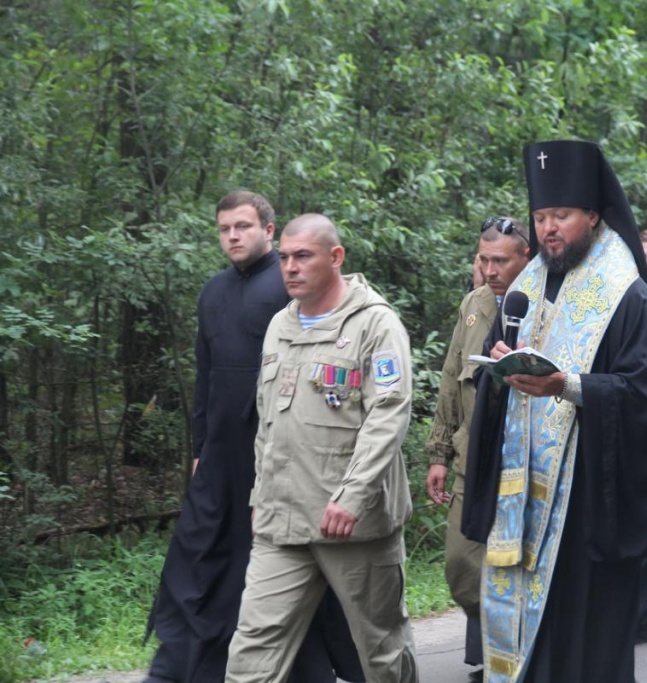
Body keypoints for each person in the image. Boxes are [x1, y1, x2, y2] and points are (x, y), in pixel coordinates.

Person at [461, 139, 647, 683]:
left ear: (594, 217)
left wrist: (569, 386)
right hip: (523, 505)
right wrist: (502, 367)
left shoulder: (626, 293)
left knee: (582, 652)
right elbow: (495, 375)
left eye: (562, 215)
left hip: (586, 508)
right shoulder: (525, 287)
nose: (549, 227)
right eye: (540, 216)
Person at [145, 191, 362, 683]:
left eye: (242, 226)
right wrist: (199, 448)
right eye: (224, 229)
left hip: (277, 455)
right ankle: (184, 667)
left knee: (273, 568)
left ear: (268, 229)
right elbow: (206, 376)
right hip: (220, 456)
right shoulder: (212, 292)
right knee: (198, 559)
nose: (232, 237)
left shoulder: (292, 288)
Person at [225, 213, 418, 683]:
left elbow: (388, 415)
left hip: (350, 524)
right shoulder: (279, 326)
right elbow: (268, 422)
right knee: (252, 651)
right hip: (282, 521)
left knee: (381, 650)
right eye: (285, 257)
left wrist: (352, 496)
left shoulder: (375, 324)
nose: (289, 267)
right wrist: (260, 496)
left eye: (302, 256)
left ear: (335, 258)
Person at [425, 216, 530, 682]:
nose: (490, 269)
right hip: (472, 456)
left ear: (525, 258)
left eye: (500, 260)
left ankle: (509, 661)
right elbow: (452, 379)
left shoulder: (546, 304)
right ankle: (502, 644)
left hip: (525, 460)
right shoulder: (474, 305)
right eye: (483, 259)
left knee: (519, 567)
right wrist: (438, 453)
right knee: (462, 567)